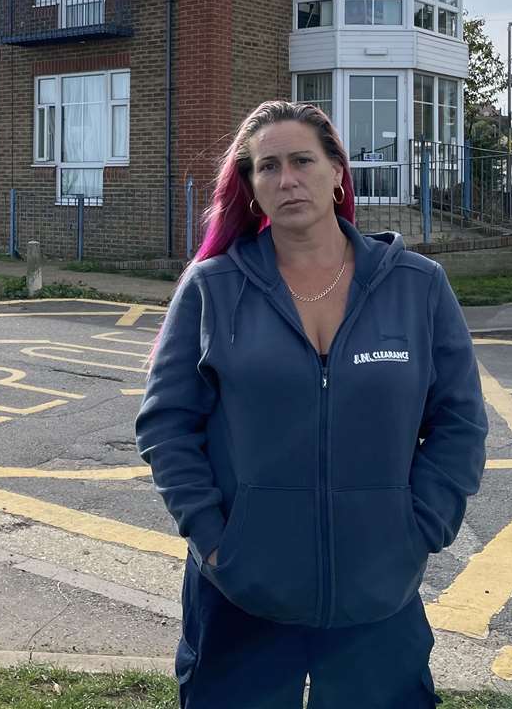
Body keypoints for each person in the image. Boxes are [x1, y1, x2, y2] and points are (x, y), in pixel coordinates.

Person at [136, 100, 487, 709]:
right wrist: (216, 540)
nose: (286, 179)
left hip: (378, 594)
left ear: (337, 173)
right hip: (241, 590)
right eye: (266, 167)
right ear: (249, 187)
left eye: (302, 160)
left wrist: (418, 528)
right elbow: (168, 424)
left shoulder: (417, 285)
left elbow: (458, 421)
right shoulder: (213, 287)